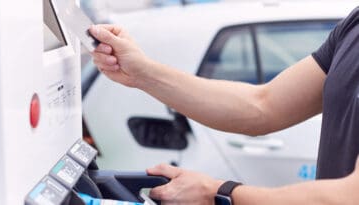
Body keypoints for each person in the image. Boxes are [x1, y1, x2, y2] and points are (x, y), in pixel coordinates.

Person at [88, 6, 359, 205]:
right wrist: (142, 73)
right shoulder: (354, 26)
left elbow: (349, 197)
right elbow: (263, 105)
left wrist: (217, 192)